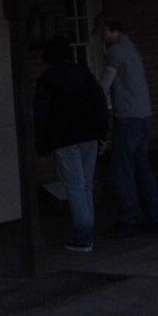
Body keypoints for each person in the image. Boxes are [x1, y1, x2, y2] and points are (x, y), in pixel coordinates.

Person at [32, 36, 109, 253]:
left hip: (63, 137)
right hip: (89, 133)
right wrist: (103, 132)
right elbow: (99, 102)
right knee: (85, 184)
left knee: (74, 186)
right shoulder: (84, 74)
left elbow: (42, 115)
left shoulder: (47, 80)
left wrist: (42, 145)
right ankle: (87, 231)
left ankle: (84, 236)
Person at [98, 15, 158, 234]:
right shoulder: (131, 48)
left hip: (127, 117)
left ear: (113, 30)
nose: (102, 36)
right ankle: (153, 216)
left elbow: (105, 84)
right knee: (142, 167)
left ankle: (128, 218)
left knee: (122, 170)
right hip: (144, 116)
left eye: (103, 31)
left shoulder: (114, 52)